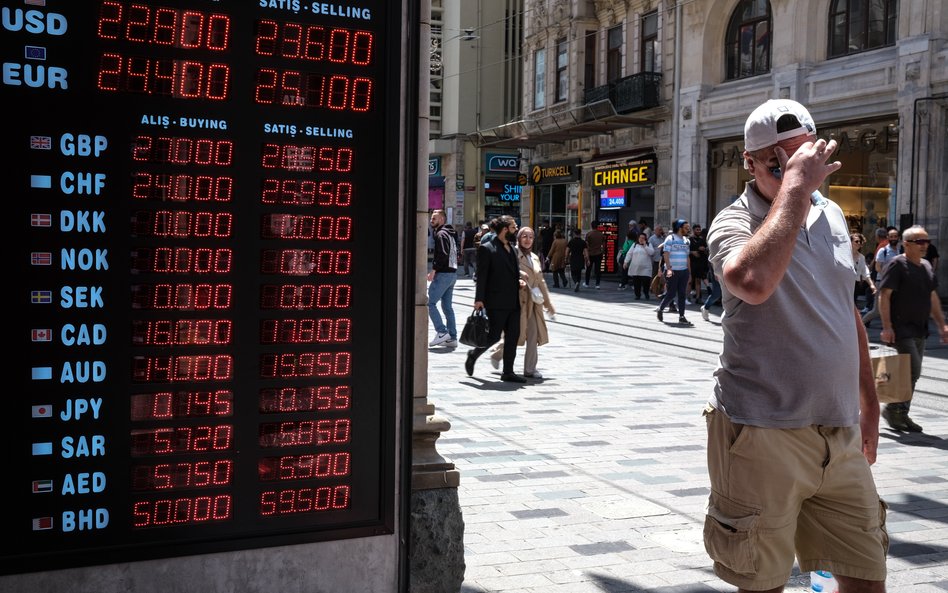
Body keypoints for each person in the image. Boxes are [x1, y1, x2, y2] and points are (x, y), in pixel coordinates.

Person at [704, 98, 886, 592]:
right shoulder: (733, 221)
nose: (798, 171)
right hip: (764, 432)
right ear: (750, 163)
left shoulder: (830, 217)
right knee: (763, 583)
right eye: (778, 163)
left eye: (806, 157)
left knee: (866, 577)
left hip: (840, 432)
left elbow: (845, 311)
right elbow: (752, 280)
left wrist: (868, 402)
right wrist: (796, 191)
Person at [878, 225, 948, 433]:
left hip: (920, 328)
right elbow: (885, 296)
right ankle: (893, 409)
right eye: (920, 242)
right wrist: (887, 327)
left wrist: (941, 324)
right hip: (902, 328)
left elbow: (933, 297)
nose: (925, 245)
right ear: (906, 244)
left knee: (912, 373)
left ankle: (901, 413)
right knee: (912, 369)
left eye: (927, 241)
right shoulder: (897, 265)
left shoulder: (926, 266)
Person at [465, 215, 527, 383]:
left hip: (513, 300)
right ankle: (473, 354)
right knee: (493, 336)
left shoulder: (513, 249)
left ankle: (508, 372)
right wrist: (479, 299)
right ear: (505, 229)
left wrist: (518, 281)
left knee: (513, 336)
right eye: (514, 227)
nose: (516, 230)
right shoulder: (487, 248)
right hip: (496, 301)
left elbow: (512, 272)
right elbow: (482, 276)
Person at [488, 227, 556, 378]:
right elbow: (504, 271)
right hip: (518, 302)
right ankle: (497, 353)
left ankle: (530, 369)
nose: (527, 239)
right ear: (518, 238)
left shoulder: (535, 257)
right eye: (524, 236)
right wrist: (518, 277)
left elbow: (541, 281)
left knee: (533, 334)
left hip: (533, 304)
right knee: (515, 334)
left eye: (531, 237)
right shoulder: (511, 253)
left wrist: (548, 303)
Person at [426, 210, 459, 348]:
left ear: (442, 219)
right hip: (452, 273)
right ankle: (452, 337)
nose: (431, 220)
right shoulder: (450, 233)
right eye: (431, 218)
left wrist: (434, 270)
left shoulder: (441, 234)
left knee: (430, 303)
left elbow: (442, 254)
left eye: (434, 218)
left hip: (444, 273)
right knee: (447, 307)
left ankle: (441, 332)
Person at [862, 226, 902, 327]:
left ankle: (892, 329)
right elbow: (878, 267)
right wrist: (889, 276)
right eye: (891, 236)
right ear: (887, 237)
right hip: (882, 282)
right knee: (877, 310)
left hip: (896, 283)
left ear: (898, 238)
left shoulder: (899, 250)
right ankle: (859, 325)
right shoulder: (883, 251)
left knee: (895, 307)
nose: (893, 238)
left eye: (895, 236)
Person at [656, 219, 691, 324]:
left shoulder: (686, 240)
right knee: (671, 294)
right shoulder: (670, 238)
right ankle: (660, 309)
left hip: (683, 271)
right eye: (686, 228)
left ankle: (681, 316)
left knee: (682, 294)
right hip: (673, 271)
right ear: (680, 228)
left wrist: (689, 272)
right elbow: (666, 254)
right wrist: (669, 269)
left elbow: (687, 257)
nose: (688, 229)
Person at [623, 231, 654, 300]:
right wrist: (626, 262)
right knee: (636, 282)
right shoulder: (634, 245)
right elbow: (629, 254)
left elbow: (651, 253)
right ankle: (637, 295)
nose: (641, 239)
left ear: (645, 239)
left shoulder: (649, 245)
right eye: (640, 237)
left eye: (643, 238)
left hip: (646, 268)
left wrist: (645, 246)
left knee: (646, 282)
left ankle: (646, 293)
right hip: (636, 267)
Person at [850, 232, 876, 313]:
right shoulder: (844, 255)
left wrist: (871, 285)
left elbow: (865, 272)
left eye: (860, 242)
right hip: (844, 283)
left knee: (852, 304)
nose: (859, 244)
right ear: (850, 242)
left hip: (855, 284)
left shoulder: (861, 257)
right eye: (856, 241)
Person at [689, 223, 710, 301]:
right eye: (697, 229)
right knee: (690, 281)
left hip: (700, 263)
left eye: (699, 229)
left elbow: (706, 250)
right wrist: (692, 252)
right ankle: (687, 297)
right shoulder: (689, 240)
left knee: (698, 280)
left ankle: (698, 297)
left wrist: (704, 249)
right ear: (693, 230)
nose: (698, 231)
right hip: (691, 263)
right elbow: (686, 251)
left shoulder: (702, 240)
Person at [566, 228, 589, 293]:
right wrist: (587, 260)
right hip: (580, 258)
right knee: (579, 272)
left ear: (574, 233)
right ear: (580, 233)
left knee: (573, 272)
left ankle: (576, 282)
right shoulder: (583, 242)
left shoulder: (571, 241)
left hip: (573, 258)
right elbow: (586, 252)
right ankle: (578, 282)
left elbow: (567, 251)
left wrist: (566, 258)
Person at [584, 221, 605, 289]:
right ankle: (597, 284)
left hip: (590, 254)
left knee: (588, 269)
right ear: (597, 226)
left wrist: (586, 253)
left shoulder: (589, 234)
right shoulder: (601, 234)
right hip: (598, 253)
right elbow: (604, 245)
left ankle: (587, 283)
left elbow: (586, 245)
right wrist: (603, 251)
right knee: (598, 269)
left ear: (591, 226)